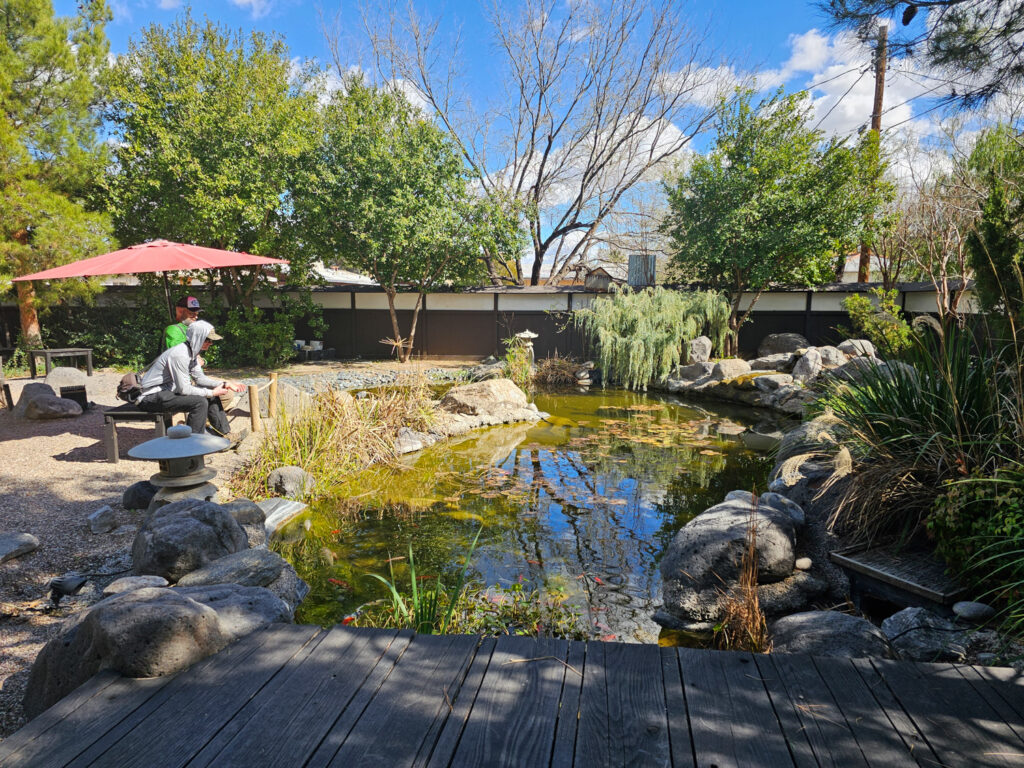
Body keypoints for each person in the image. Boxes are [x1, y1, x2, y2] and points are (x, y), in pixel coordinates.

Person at [137, 320, 245, 436]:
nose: (210, 343)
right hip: (150, 397)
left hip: (167, 392)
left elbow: (200, 379)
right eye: (207, 339)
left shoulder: (191, 352)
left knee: (210, 396)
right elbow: (183, 389)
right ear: (197, 337)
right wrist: (212, 392)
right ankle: (193, 443)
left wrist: (224, 383)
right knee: (200, 402)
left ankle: (224, 434)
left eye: (212, 340)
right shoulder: (180, 355)